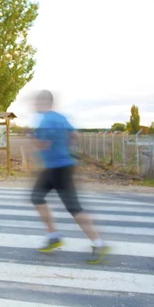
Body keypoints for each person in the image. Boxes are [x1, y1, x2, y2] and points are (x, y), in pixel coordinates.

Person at [31, 90, 109, 264]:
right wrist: (64, 148)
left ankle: (98, 242)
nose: (35, 105)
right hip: (60, 166)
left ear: (44, 102)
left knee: (74, 208)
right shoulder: (60, 118)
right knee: (36, 196)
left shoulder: (45, 121)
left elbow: (44, 144)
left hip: (57, 169)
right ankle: (53, 236)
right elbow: (75, 136)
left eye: (37, 102)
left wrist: (34, 139)